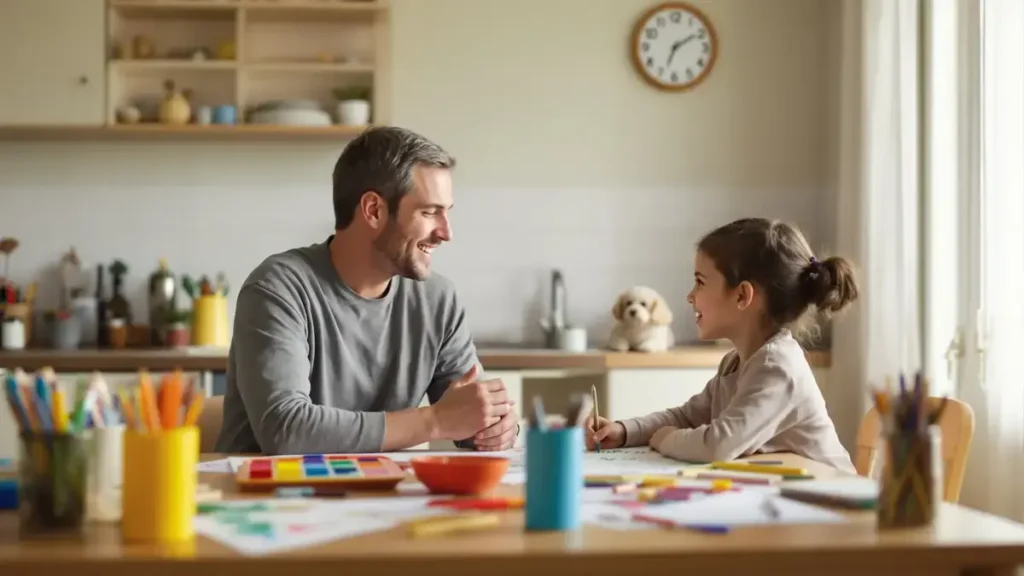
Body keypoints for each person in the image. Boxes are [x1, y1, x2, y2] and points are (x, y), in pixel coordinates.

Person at [215, 126, 520, 455]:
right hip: (264, 497)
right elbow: (286, 430)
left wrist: (495, 426)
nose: (446, 233)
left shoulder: (437, 300)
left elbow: (470, 413)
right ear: (373, 210)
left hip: (379, 496)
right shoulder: (279, 288)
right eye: (430, 212)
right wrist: (435, 421)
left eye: (447, 213)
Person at [587, 218, 857, 472]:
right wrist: (624, 431)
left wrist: (665, 439)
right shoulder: (736, 361)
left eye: (700, 282)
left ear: (742, 295)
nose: (690, 296)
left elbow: (718, 444)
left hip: (835, 501)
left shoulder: (777, 367)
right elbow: (687, 417)